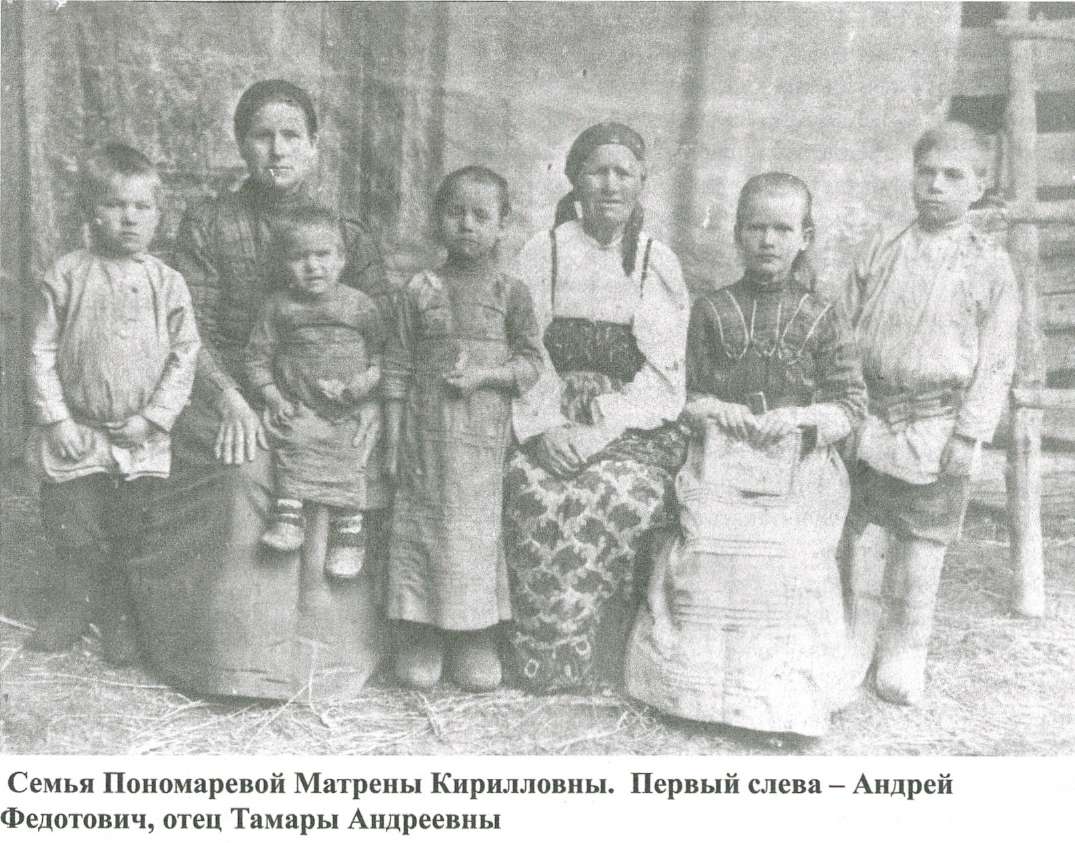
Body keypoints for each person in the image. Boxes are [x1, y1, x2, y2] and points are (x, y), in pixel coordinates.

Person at [132, 79, 391, 700]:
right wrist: (233, 400)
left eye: (291, 136)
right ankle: (237, 663)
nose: (277, 150)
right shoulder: (209, 221)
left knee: (345, 462)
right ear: (242, 145)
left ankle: (324, 661)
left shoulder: (345, 232)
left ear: (314, 146)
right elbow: (190, 327)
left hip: (335, 401)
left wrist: (374, 403)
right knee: (246, 468)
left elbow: (386, 331)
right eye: (262, 136)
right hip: (229, 389)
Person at [625, 172, 866, 738]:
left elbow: (851, 403)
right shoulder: (711, 310)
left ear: (805, 237)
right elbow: (684, 395)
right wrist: (716, 409)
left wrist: (802, 419)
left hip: (800, 467)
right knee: (706, 544)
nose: (768, 240)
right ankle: (694, 694)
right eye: (756, 228)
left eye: (782, 229)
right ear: (737, 235)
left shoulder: (824, 314)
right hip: (722, 462)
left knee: (790, 555)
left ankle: (780, 704)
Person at [504, 123, 691, 693]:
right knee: (530, 488)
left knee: (615, 493)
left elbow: (663, 376)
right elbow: (523, 350)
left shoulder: (656, 260)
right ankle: (543, 655)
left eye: (623, 173)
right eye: (597, 172)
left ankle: (600, 649)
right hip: (549, 416)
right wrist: (545, 428)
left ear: (641, 183)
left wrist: (599, 430)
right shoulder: (543, 251)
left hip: (630, 425)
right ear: (575, 180)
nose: (610, 185)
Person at [843, 121, 1018, 706]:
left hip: (939, 423)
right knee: (865, 534)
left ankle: (905, 647)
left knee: (922, 540)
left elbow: (996, 361)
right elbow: (842, 331)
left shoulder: (989, 265)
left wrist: (969, 435)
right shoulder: (882, 248)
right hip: (874, 415)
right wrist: (848, 407)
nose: (936, 185)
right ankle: (856, 639)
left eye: (953, 175)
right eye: (926, 173)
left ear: (979, 187)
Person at [27, 142, 200, 666]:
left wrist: (153, 419)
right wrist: (57, 419)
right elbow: (40, 351)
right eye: (114, 204)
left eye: (142, 207)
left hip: (139, 436)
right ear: (90, 211)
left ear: (158, 216)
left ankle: (119, 614)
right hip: (77, 431)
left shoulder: (167, 283)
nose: (129, 218)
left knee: (132, 531)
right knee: (73, 525)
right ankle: (72, 606)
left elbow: (185, 355)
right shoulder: (66, 274)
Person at [383, 165, 543, 692]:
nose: (467, 225)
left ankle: (473, 637)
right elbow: (397, 367)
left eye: (481, 215)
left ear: (502, 225)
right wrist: (392, 440)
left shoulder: (510, 292)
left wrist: (484, 377)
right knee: (422, 531)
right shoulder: (419, 289)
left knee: (472, 538)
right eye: (456, 213)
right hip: (424, 442)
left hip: (481, 446)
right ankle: (420, 633)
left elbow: (531, 364)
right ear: (438, 220)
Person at [243, 205, 387, 579]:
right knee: (292, 437)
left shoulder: (360, 305)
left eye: (323, 255)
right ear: (284, 263)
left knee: (354, 450)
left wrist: (367, 383)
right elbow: (257, 359)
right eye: (299, 257)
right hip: (299, 405)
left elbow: (382, 354)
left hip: (349, 409)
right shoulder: (279, 307)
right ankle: (288, 517)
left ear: (341, 260)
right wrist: (273, 397)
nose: (313, 266)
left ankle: (349, 534)